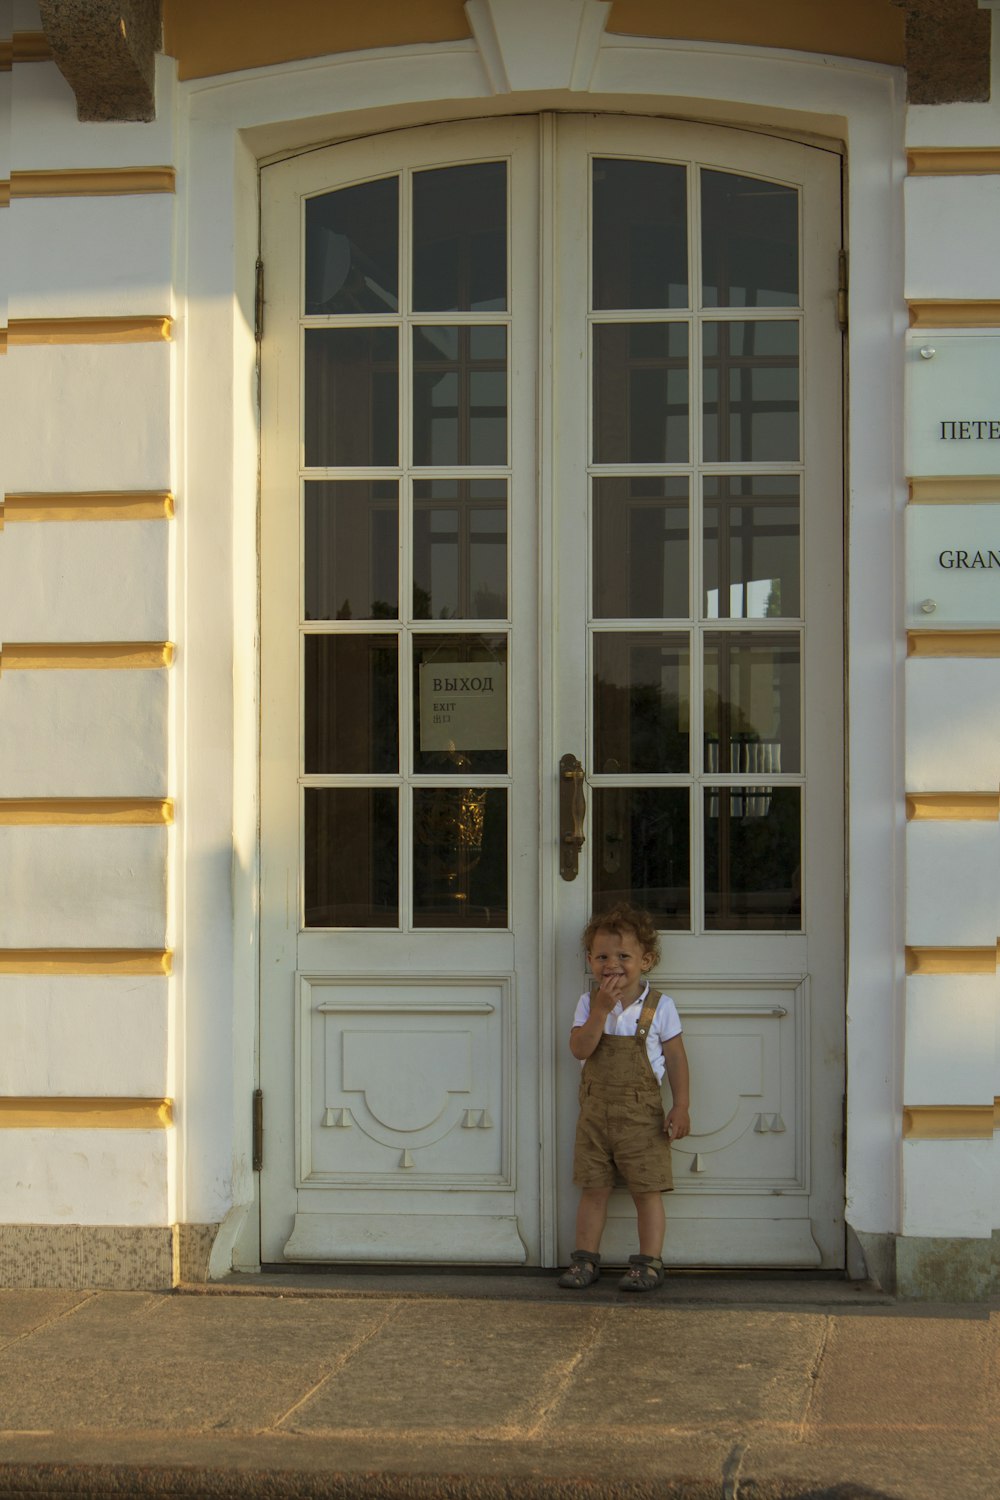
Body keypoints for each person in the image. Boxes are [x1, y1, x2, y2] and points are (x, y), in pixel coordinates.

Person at [558, 903, 691, 1292]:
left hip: (642, 1118)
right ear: (589, 961)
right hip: (595, 1116)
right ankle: (585, 1258)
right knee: (593, 1187)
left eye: (623, 956)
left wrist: (681, 1105)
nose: (611, 965)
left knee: (646, 1190)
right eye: (602, 957)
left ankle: (649, 1263)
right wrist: (600, 1009)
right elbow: (580, 1050)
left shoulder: (660, 1007)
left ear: (645, 960)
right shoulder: (588, 1003)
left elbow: (677, 1058)